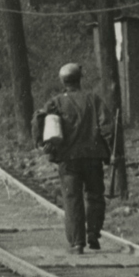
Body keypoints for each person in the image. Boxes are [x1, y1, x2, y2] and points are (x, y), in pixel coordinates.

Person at [39, 62, 116, 255]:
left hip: (68, 159)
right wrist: (113, 151)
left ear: (62, 81)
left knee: (72, 199)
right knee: (95, 195)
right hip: (93, 156)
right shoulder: (93, 99)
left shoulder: (55, 102)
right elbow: (108, 127)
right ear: (79, 79)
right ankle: (93, 233)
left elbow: (40, 121)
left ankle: (77, 243)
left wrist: (44, 145)